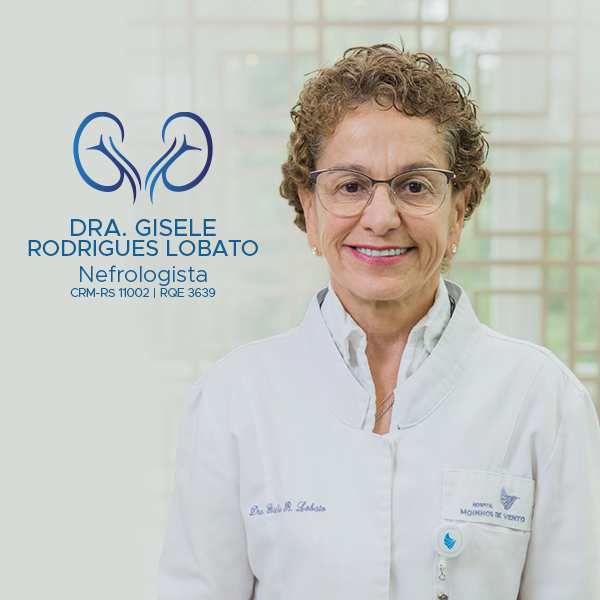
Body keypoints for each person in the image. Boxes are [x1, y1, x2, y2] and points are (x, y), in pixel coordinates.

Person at [157, 43, 600, 599]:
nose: (382, 217)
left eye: (415, 186)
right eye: (351, 186)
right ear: (310, 210)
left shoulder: (544, 400)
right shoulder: (232, 399)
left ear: (458, 210)